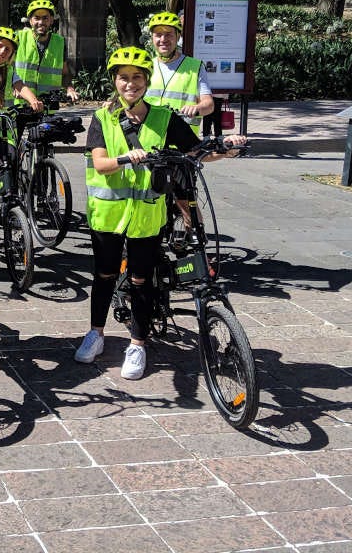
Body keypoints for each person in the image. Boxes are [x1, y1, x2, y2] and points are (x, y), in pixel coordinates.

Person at [77, 47, 245, 379]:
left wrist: (226, 150)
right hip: (108, 216)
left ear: (147, 81)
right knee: (105, 275)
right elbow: (100, 163)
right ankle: (96, 333)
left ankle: (137, 344)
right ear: (114, 81)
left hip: (147, 216)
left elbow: (195, 151)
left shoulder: (164, 118)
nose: (130, 84)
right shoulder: (102, 118)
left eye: (137, 77)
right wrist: (128, 158)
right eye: (123, 78)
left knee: (141, 280)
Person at [145, 11, 213, 132]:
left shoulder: (195, 67)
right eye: (158, 34)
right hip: (151, 139)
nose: (163, 39)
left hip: (184, 142)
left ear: (178, 36)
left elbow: (209, 104)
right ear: (152, 38)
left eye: (169, 34)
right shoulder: (146, 66)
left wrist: (197, 108)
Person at [14, 0, 79, 106]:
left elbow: (65, 73)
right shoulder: (19, 38)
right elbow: (6, 67)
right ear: (30, 21)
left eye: (45, 18)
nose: (41, 22)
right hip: (21, 104)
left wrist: (70, 88)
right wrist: (13, 86)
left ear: (52, 20)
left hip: (48, 105)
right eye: (36, 18)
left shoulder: (59, 42)